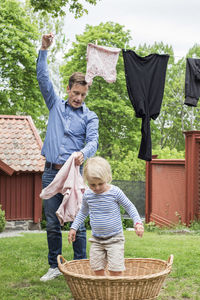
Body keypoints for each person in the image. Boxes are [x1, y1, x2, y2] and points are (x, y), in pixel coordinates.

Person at [37, 33, 99, 282]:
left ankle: (80, 266)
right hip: (52, 171)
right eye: (75, 93)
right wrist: (44, 49)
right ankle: (55, 265)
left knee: (77, 221)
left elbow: (93, 141)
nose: (78, 98)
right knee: (53, 223)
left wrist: (84, 153)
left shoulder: (89, 116)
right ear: (68, 89)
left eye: (83, 95)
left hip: (74, 174)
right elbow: (43, 77)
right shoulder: (54, 104)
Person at [68, 156, 144, 276]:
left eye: (100, 184)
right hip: (96, 240)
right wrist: (74, 227)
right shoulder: (88, 195)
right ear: (86, 181)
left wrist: (138, 223)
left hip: (115, 239)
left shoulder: (115, 192)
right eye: (92, 185)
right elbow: (83, 212)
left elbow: (130, 207)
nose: (97, 188)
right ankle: (103, 291)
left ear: (107, 178)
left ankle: (116, 291)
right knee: (97, 268)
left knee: (116, 269)